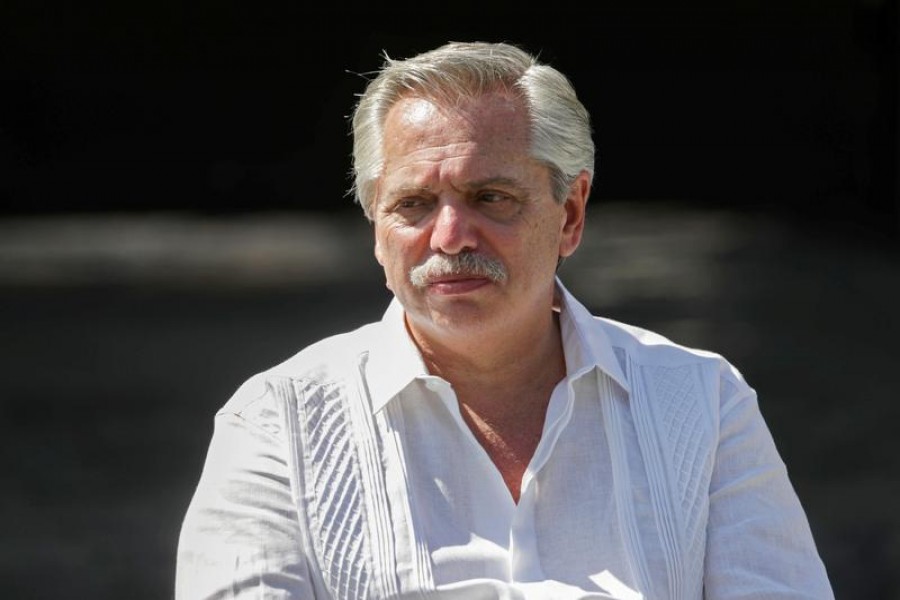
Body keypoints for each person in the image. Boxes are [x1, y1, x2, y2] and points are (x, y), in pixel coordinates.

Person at [175, 41, 834, 599]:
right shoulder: (277, 424)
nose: (452, 235)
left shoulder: (701, 404)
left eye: (491, 197)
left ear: (570, 214)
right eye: (414, 203)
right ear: (376, 225)